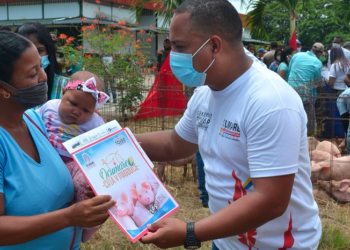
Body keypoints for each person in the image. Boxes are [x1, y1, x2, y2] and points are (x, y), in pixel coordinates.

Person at [136, 1, 321, 249]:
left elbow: (271, 200)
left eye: (179, 47)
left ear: (214, 45)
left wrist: (190, 232)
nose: (173, 57)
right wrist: (113, 140)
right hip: (226, 241)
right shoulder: (205, 94)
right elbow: (173, 145)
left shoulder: (270, 102)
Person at [0, 30, 115, 249]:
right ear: (3, 88)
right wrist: (69, 217)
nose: (44, 77)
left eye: (41, 68)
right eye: (33, 74)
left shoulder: (36, 121)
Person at [36, 71, 110, 243]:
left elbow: (109, 141)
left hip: (73, 164)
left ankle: (88, 226)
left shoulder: (95, 122)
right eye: (73, 103)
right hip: (44, 159)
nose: (77, 112)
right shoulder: (49, 107)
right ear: (63, 93)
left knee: (87, 184)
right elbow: (30, 125)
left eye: (86, 110)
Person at [15, 22, 69, 100]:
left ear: (49, 50)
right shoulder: (9, 89)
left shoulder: (67, 86)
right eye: (25, 52)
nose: (34, 58)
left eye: (39, 51)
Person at [288, 43, 324, 134]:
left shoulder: (296, 56)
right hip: (306, 96)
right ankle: (309, 138)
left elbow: (291, 69)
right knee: (308, 120)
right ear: (319, 54)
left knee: (291, 117)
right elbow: (317, 81)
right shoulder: (318, 63)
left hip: (290, 93)